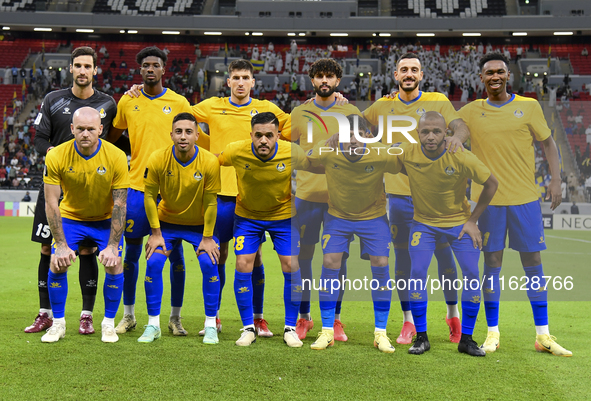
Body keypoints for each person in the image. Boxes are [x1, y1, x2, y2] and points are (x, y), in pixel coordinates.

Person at [126, 59, 290, 337]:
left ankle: (259, 318)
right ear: (228, 82)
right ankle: (216, 319)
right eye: (235, 77)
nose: (240, 82)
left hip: (250, 194)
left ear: (253, 82)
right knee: (220, 254)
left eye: (245, 78)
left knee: (255, 257)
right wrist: (140, 90)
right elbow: (182, 117)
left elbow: (291, 128)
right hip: (220, 192)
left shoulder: (267, 109)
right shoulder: (212, 105)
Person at [450, 52, 572, 356]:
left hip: (525, 200)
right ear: (481, 78)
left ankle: (543, 335)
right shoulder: (471, 110)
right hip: (487, 203)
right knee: (491, 266)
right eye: (489, 72)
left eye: (500, 72)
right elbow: (449, 121)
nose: (495, 76)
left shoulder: (528, 107)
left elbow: (549, 143)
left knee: (534, 265)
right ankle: (492, 333)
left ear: (508, 75)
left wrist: (556, 180)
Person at [363, 52, 472, 344]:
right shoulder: (383, 105)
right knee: (404, 260)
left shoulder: (437, 100)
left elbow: (461, 125)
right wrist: (334, 101)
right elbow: (355, 124)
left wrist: (457, 138)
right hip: (399, 196)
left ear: (421, 75)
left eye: (414, 69)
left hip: (438, 196)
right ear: (395, 76)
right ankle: (409, 321)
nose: (409, 74)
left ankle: (453, 315)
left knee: (445, 258)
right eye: (403, 70)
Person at [26, 46, 118, 335]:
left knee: (89, 248)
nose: (82, 70)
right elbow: (40, 139)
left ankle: (86, 315)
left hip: (92, 186)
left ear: (94, 70)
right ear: (71, 69)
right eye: (77, 65)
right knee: (49, 248)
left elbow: (114, 138)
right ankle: (46, 313)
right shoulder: (53, 99)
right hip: (57, 182)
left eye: (87, 66)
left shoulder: (108, 103)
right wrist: (55, 155)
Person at [390, 111, 498, 356]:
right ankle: (422, 337)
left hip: (459, 223)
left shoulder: (459, 154)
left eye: (437, 131)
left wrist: (473, 221)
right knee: (416, 272)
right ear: (417, 133)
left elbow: (492, 183)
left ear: (446, 133)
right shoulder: (407, 152)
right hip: (423, 224)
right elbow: (380, 157)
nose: (430, 136)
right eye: (425, 131)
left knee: (471, 273)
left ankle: (467, 339)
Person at [106, 46, 195, 337]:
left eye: (156, 64)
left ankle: (175, 317)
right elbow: (112, 136)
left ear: (164, 69)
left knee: (175, 252)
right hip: (135, 187)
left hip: (171, 190)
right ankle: (129, 314)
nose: (150, 69)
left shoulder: (178, 101)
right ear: (140, 70)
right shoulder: (128, 101)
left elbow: (190, 136)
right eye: (145, 65)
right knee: (131, 252)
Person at [306, 115, 397, 353]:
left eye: (359, 134)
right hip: (338, 216)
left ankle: (380, 333)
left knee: (381, 263)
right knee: (329, 261)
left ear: (369, 136)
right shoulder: (330, 150)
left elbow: (403, 160)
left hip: (373, 217)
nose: (353, 140)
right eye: (347, 135)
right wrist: (329, 139)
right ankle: (327, 331)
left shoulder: (380, 152)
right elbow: (309, 157)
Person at [218, 112, 307, 348]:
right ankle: (248, 327)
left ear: (278, 135)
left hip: (283, 217)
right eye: (258, 135)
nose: (264, 141)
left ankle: (290, 327)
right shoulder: (236, 151)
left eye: (269, 135)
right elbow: (212, 161)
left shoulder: (292, 152)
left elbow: (317, 165)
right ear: (251, 136)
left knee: (291, 264)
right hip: (247, 217)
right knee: (243, 263)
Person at [41, 107, 128, 343]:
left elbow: (120, 204)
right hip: (72, 218)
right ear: (72, 129)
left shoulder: (116, 156)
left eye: (91, 129)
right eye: (80, 129)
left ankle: (108, 324)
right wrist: (59, 243)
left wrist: (112, 245)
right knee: (57, 262)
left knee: (114, 264)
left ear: (101, 129)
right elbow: (51, 202)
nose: (85, 133)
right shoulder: (56, 155)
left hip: (105, 219)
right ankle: (58, 324)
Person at [290, 58, 362, 341]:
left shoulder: (351, 111)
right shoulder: (299, 113)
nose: (324, 81)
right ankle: (305, 317)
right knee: (304, 257)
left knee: (337, 259)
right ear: (312, 80)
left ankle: (336, 319)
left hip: (340, 199)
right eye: (319, 76)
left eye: (329, 77)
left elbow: (360, 152)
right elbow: (287, 150)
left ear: (337, 82)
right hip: (307, 196)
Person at [140, 112, 221, 344]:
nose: (183, 136)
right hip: (166, 223)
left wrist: (207, 237)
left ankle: (210, 325)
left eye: (188, 132)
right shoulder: (157, 158)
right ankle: (153, 324)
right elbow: (149, 197)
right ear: (171, 135)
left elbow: (211, 201)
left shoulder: (209, 161)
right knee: (154, 262)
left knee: (209, 263)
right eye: (178, 132)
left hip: (198, 226)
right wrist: (155, 233)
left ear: (197, 135)